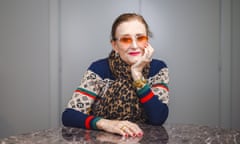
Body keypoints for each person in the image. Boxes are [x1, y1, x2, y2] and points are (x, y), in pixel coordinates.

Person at [62, 13, 169, 137]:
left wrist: (137, 75)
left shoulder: (158, 68)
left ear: (147, 41)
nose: (134, 46)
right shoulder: (99, 69)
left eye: (140, 38)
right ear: (115, 45)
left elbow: (158, 117)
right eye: (125, 39)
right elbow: (69, 116)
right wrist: (107, 124)